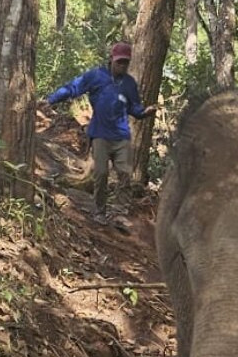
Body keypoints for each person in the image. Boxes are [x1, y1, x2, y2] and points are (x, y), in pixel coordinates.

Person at [44, 42, 156, 224]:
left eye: (126, 63)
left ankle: (120, 212)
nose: (122, 66)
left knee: (124, 174)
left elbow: (134, 107)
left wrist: (144, 112)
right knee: (101, 173)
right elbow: (73, 88)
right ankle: (99, 211)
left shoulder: (129, 83)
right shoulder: (96, 76)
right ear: (111, 59)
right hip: (100, 134)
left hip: (122, 136)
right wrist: (51, 100)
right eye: (119, 62)